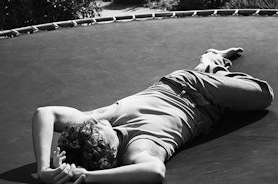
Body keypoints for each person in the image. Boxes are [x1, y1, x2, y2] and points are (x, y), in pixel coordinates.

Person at [32, 47, 274, 184]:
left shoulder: (100, 118)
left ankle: (214, 63)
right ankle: (209, 63)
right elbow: (155, 172)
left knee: (264, 95)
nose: (99, 120)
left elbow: (45, 113)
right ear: (108, 148)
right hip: (206, 107)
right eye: (99, 127)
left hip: (184, 83)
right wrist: (87, 178)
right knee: (263, 96)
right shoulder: (137, 151)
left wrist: (44, 169)